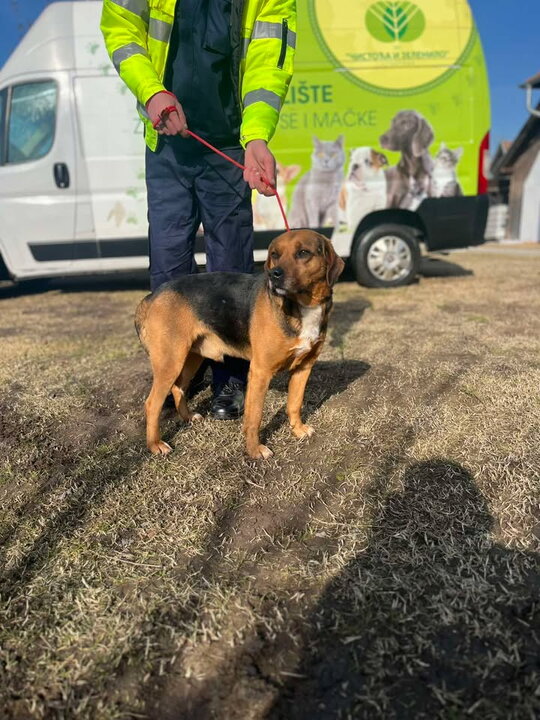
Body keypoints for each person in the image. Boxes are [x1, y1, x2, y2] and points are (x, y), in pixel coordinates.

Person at [101, 0, 296, 418]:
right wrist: (152, 92)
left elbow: (269, 61)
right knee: (168, 266)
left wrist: (256, 137)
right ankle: (175, 379)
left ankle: (232, 380)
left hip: (229, 145)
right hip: (167, 143)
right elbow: (120, 28)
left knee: (232, 267)